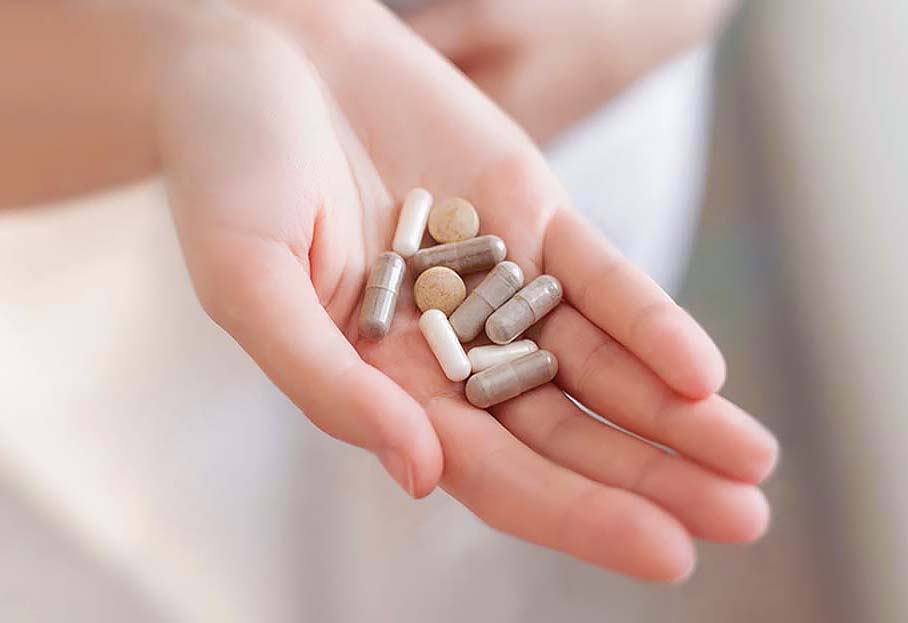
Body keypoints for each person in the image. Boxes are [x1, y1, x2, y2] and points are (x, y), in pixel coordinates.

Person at [0, 1, 777, 619]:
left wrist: (656, 13)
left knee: (463, 547)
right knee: (198, 553)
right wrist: (180, 58)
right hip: (88, 164)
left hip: (577, 115)